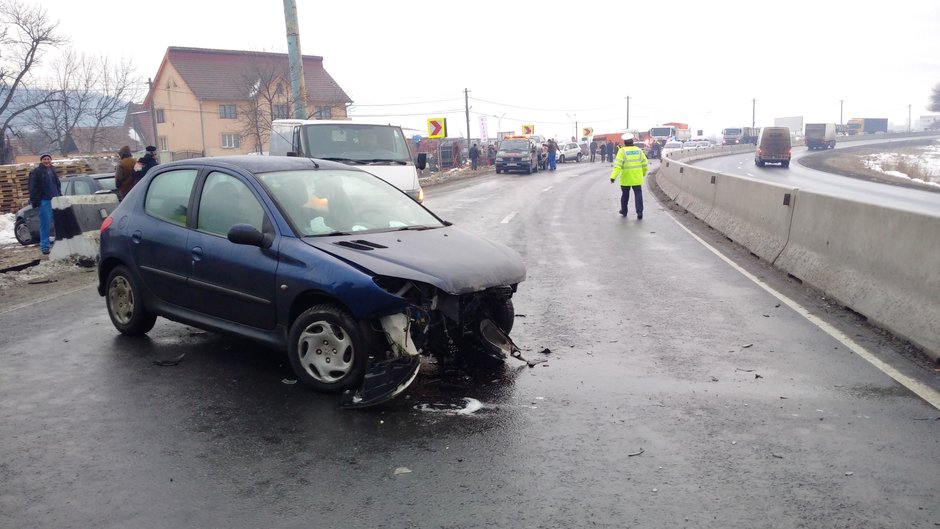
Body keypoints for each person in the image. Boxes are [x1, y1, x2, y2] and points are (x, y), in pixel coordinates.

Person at [28, 153, 62, 255]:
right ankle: (45, 246)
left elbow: (57, 184)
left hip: (55, 200)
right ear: (41, 160)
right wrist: (36, 201)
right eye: (44, 159)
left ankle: (58, 243)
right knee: (45, 224)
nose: (46, 161)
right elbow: (32, 187)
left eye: (48, 159)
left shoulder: (53, 170)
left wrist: (60, 195)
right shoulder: (36, 172)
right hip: (44, 201)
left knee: (58, 223)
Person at [610, 134, 649, 219]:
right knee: (638, 195)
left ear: (624, 143)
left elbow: (617, 166)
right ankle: (639, 212)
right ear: (632, 142)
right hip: (637, 178)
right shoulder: (639, 151)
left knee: (625, 195)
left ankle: (624, 211)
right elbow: (645, 164)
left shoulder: (622, 151)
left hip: (626, 178)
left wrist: (613, 177)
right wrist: (643, 173)